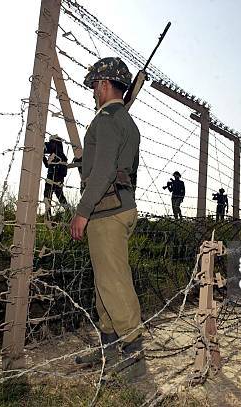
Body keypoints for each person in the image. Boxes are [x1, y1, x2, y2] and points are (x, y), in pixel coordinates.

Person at [69, 57, 144, 380]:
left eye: (94, 86)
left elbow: (103, 172)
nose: (93, 93)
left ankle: (132, 351)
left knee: (113, 282)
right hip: (119, 206)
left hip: (106, 211)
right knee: (105, 282)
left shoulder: (106, 120)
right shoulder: (126, 121)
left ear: (102, 85)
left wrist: (82, 212)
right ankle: (109, 346)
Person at [42, 135, 68, 218]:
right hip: (50, 178)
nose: (50, 144)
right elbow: (47, 165)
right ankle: (48, 216)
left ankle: (68, 212)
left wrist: (60, 180)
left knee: (60, 197)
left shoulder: (61, 156)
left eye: (52, 142)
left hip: (57, 179)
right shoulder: (53, 155)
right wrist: (43, 156)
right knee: (47, 197)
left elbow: (64, 170)